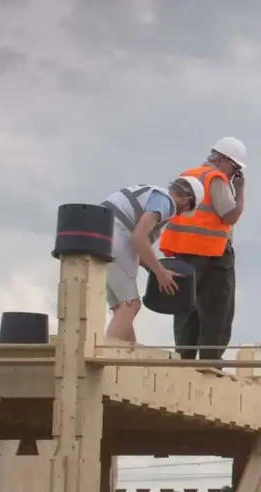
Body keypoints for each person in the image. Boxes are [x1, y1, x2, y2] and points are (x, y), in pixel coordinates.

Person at [160, 137, 247, 362]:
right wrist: (240, 191)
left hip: (183, 251)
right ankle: (210, 361)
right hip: (213, 253)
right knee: (218, 309)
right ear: (220, 159)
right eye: (234, 168)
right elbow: (230, 215)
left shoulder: (187, 175)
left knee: (185, 306)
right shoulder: (216, 179)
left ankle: (185, 356)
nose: (234, 174)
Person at [103, 176, 205, 343]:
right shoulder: (165, 202)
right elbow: (138, 238)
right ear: (187, 198)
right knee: (131, 305)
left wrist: (157, 269)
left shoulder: (153, 194)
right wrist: (159, 272)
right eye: (189, 207)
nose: (183, 212)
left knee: (122, 308)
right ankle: (105, 356)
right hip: (117, 238)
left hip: (101, 236)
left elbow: (140, 247)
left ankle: (129, 356)